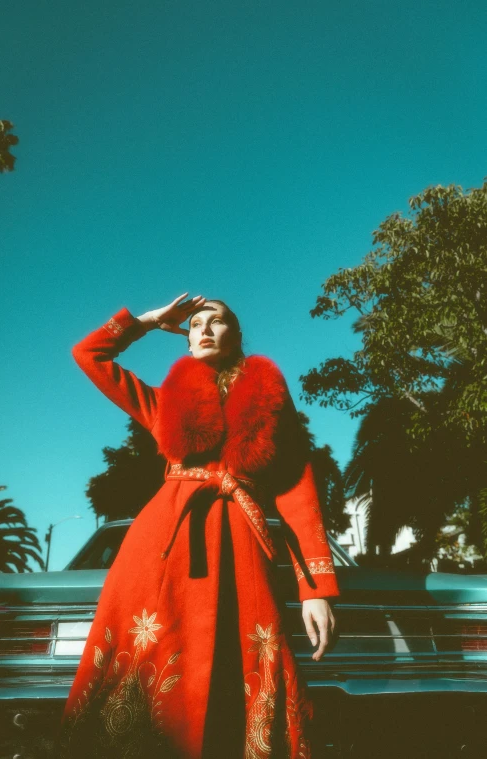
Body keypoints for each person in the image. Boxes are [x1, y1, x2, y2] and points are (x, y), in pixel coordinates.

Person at [57, 293, 339, 759]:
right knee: (149, 677)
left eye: (218, 321)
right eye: (195, 325)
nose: (204, 328)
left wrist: (316, 590)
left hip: (242, 546)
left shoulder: (268, 397)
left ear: (238, 336)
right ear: (185, 341)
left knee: (244, 671)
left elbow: (296, 487)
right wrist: (146, 321)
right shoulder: (165, 402)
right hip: (160, 549)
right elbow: (88, 354)